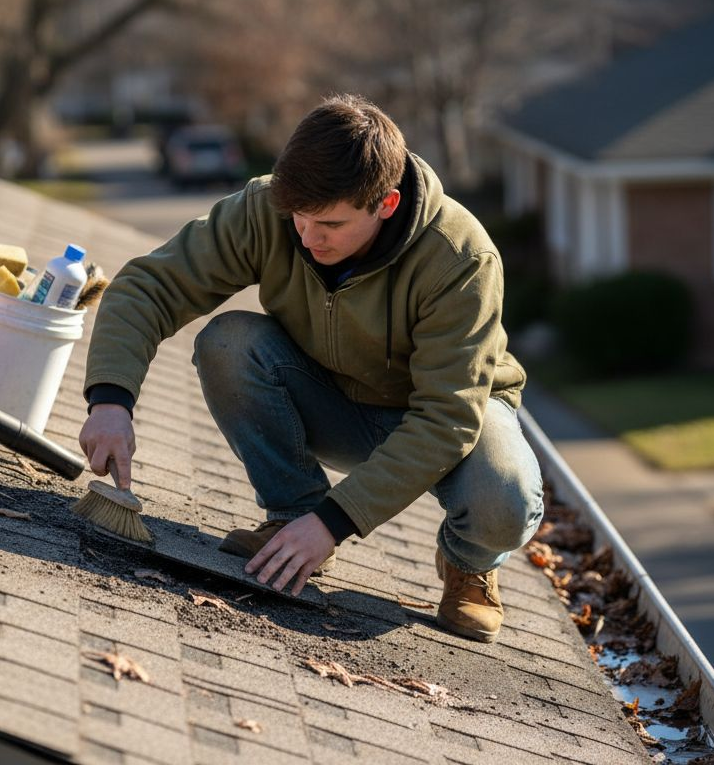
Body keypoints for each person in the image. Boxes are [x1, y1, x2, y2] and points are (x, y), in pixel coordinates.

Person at [78, 94, 544, 643]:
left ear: (386, 205)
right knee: (229, 341)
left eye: (330, 223)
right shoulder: (268, 209)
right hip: (331, 402)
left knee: (505, 495)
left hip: (447, 427)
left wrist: (335, 522)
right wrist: (110, 399)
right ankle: (289, 516)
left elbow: (447, 417)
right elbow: (149, 286)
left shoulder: (461, 258)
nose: (306, 235)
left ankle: (469, 567)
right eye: (298, 215)